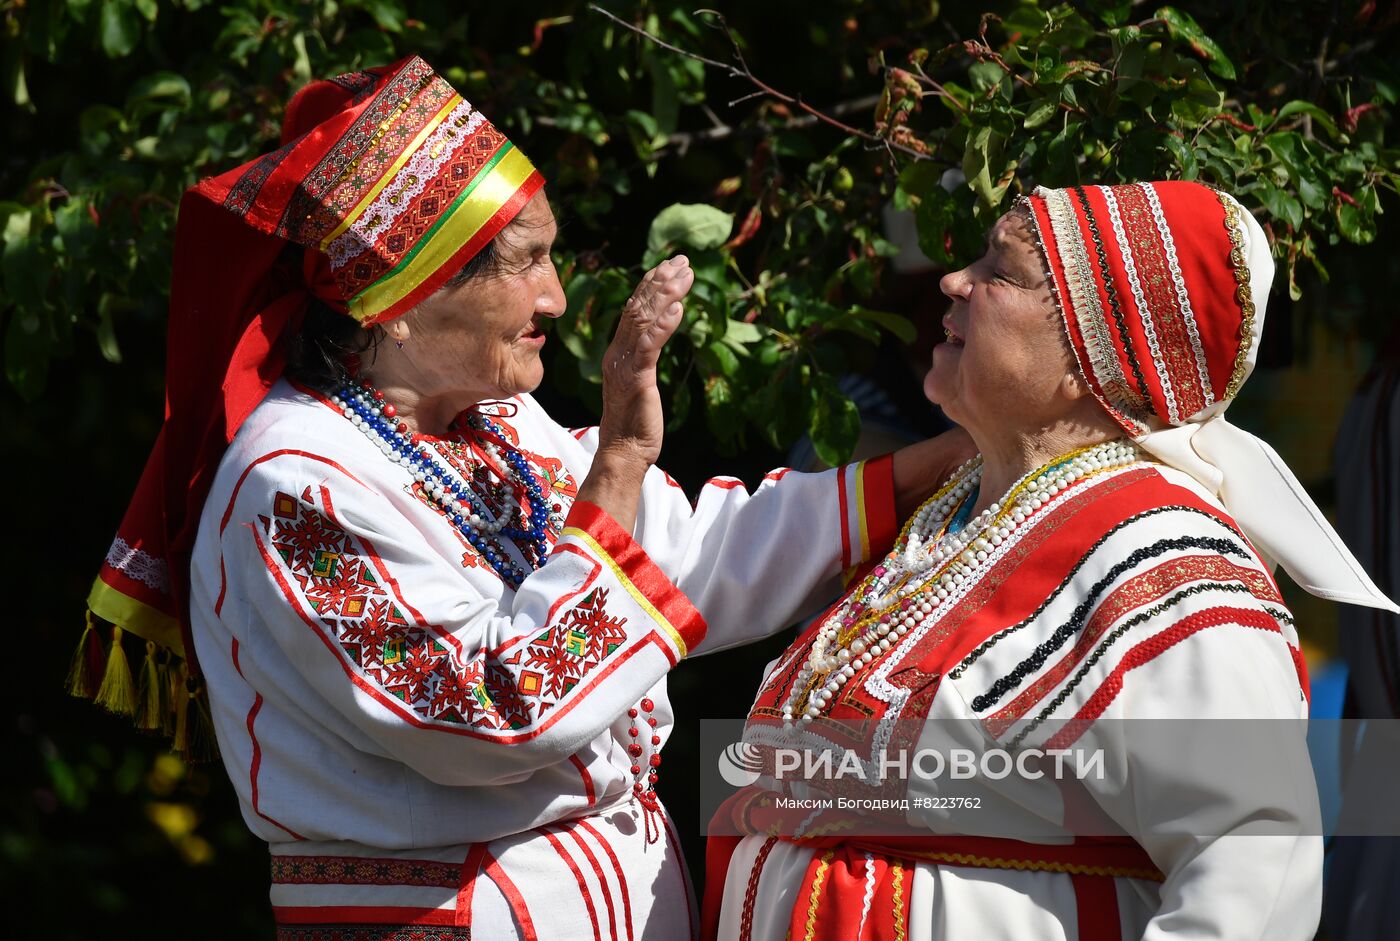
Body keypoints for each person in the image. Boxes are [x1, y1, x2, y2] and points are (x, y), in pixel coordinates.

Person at [73, 56, 971, 939]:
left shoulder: (498, 426)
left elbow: (695, 552)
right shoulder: (294, 483)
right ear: (399, 296)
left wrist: (959, 455)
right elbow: (489, 712)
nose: (556, 297)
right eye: (526, 261)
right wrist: (617, 457)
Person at [705, 180, 1399, 940]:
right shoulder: (958, 515)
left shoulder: (1170, 564)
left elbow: (1254, 872)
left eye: (998, 271)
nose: (952, 280)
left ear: (1091, 358)